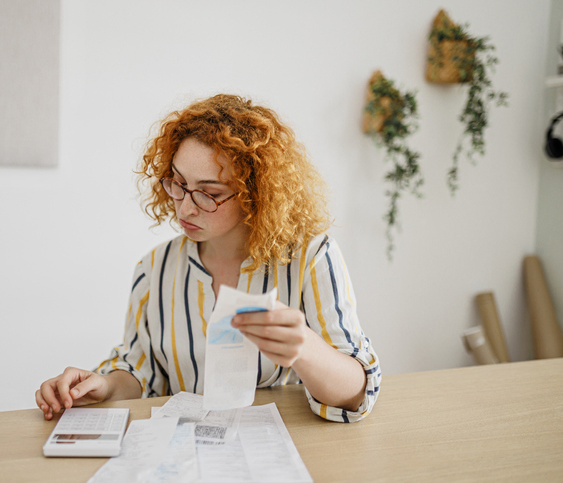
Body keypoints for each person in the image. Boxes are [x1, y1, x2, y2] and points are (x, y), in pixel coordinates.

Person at [36, 94, 380, 423]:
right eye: (179, 183)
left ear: (254, 194)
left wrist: (305, 348)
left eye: (209, 193)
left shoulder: (311, 258)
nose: (185, 207)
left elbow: (357, 394)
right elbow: (141, 371)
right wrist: (105, 386)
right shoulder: (154, 269)